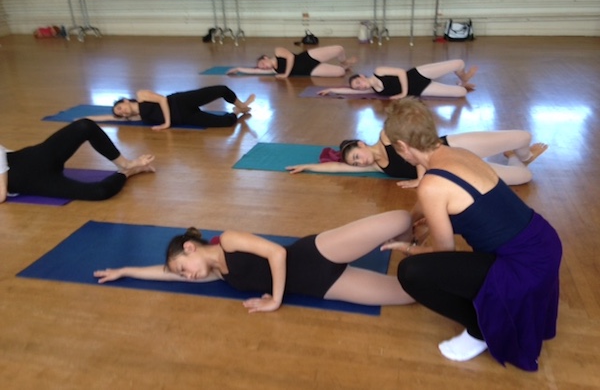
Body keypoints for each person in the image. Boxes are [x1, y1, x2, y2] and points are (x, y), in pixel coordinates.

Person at [379, 98, 562, 371]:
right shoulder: (459, 154)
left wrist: (407, 248)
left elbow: (443, 255)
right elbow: (449, 201)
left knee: (412, 272)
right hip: (544, 242)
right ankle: (484, 313)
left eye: (395, 148)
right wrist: (416, 219)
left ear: (403, 147)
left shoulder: (432, 185)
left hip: (522, 269)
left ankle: (480, 330)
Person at [94, 211, 416, 312]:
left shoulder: (229, 240)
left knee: (401, 218)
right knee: (411, 292)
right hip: (323, 286)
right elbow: (165, 275)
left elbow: (277, 253)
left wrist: (274, 301)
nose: (186, 276)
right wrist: (124, 270)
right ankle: (425, 254)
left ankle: (420, 236)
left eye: (183, 268)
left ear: (191, 248)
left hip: (316, 253)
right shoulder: (218, 275)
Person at [287, 129, 547, 188]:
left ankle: (521, 152)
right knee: (525, 176)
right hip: (454, 170)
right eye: (355, 163)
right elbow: (336, 169)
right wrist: (308, 166)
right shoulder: (380, 168)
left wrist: (419, 181)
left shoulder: (386, 135)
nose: (359, 162)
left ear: (361, 143)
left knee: (523, 136)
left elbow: (418, 155)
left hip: (450, 146)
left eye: (356, 156)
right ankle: (516, 158)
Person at [0, 118, 154, 203]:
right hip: (38, 183)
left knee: (84, 126)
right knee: (99, 192)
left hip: (36, 159)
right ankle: (127, 172)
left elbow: (1, 194)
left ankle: (125, 164)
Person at [87, 86, 255, 131]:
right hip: (185, 118)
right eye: (120, 114)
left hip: (180, 102)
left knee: (220, 90)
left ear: (124, 100)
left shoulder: (141, 95)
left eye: (120, 107)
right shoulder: (136, 118)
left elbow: (161, 100)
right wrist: (85, 120)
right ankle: (236, 112)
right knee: (225, 123)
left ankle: (240, 105)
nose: (122, 111)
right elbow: (106, 118)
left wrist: (166, 123)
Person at [317, 59, 476, 99]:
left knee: (458, 63)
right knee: (461, 93)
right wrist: (332, 89)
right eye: (358, 87)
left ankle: (463, 77)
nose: (360, 86)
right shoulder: (374, 90)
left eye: (358, 82)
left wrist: (403, 94)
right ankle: (462, 84)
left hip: (418, 75)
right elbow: (350, 93)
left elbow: (401, 72)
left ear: (362, 76)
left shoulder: (378, 71)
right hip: (421, 89)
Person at [226, 45, 357, 79]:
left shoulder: (278, 51)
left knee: (339, 49)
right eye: (262, 68)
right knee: (340, 72)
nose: (264, 67)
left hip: (307, 57)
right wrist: (238, 68)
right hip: (309, 71)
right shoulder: (274, 70)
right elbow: (253, 71)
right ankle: (343, 67)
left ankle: (344, 61)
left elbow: (290, 57)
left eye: (263, 64)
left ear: (266, 57)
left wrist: (286, 74)